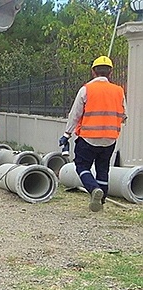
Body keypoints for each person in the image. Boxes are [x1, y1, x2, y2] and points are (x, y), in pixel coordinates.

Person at [58, 55, 127, 212]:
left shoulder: (86, 89)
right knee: (103, 169)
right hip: (110, 138)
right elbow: (124, 115)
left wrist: (67, 134)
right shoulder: (119, 91)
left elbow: (75, 114)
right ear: (111, 73)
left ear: (93, 72)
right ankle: (101, 201)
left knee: (81, 166)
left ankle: (93, 189)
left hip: (88, 137)